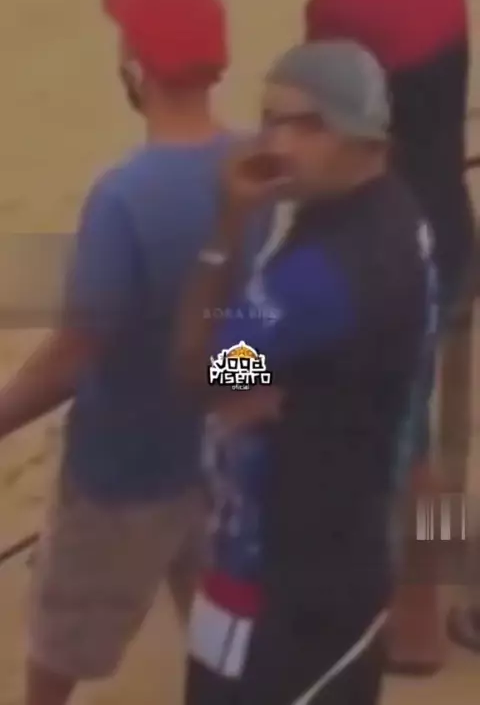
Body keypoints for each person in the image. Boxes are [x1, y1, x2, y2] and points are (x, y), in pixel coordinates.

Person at [0, 0, 259, 705]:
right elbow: (251, 313)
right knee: (217, 630)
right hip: (215, 451)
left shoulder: (123, 197)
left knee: (61, 643)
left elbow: (76, 350)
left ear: (137, 70)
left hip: (121, 468)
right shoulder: (254, 163)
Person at [174, 40, 437, 705]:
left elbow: (199, 372)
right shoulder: (395, 212)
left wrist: (226, 227)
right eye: (270, 119)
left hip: (283, 587)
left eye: (307, 125)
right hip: (323, 556)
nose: (277, 144)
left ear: (363, 136)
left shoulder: (318, 278)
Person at [295, 0, 475, 672]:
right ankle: (426, 601)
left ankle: (414, 623)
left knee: (399, 446)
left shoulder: (337, 10)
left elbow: (324, 153)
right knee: (438, 446)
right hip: (454, 231)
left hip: (390, 261)